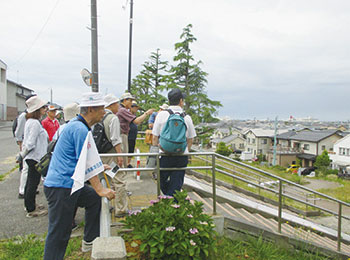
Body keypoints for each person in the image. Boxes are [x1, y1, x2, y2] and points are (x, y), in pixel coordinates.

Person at [43, 92, 116, 260]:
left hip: (69, 184)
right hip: (61, 186)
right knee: (59, 234)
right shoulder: (79, 129)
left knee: (93, 200)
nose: (104, 113)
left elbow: (85, 159)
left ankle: (89, 240)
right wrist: (100, 189)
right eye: (101, 109)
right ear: (90, 109)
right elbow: (88, 163)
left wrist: (99, 167)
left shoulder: (77, 126)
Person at [152, 89, 196, 196]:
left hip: (164, 154)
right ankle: (173, 202)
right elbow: (191, 139)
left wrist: (158, 148)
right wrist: (186, 150)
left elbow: (154, 137)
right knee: (177, 183)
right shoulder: (186, 117)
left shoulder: (161, 115)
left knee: (161, 180)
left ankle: (168, 200)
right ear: (181, 101)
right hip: (181, 156)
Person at [16, 96, 49, 217]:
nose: (45, 109)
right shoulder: (34, 123)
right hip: (35, 157)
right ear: (37, 109)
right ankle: (31, 209)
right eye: (43, 107)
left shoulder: (31, 122)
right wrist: (21, 155)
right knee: (32, 183)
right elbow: (30, 143)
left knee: (31, 182)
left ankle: (30, 205)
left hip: (32, 157)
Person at [100, 94, 125, 217]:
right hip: (112, 155)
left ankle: (106, 206)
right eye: (117, 104)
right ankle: (120, 209)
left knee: (105, 180)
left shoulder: (100, 117)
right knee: (118, 179)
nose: (119, 106)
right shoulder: (113, 118)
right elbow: (115, 139)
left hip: (101, 155)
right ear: (112, 105)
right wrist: (120, 156)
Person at [117, 92, 154, 168]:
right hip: (122, 135)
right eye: (130, 101)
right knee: (123, 157)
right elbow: (136, 121)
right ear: (125, 100)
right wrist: (146, 113)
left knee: (125, 155)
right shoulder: (122, 110)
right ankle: (122, 173)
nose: (131, 103)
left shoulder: (121, 110)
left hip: (123, 135)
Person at [15, 94, 37, 199]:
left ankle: (28, 190)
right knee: (26, 168)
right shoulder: (23, 116)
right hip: (26, 144)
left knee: (30, 170)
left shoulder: (33, 116)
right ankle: (22, 190)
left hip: (30, 144)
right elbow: (18, 131)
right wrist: (20, 144)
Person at [127, 100, 139, 168]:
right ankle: (127, 163)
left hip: (133, 135)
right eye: (134, 107)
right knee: (128, 149)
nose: (136, 109)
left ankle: (128, 162)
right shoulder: (128, 114)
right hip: (128, 135)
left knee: (131, 149)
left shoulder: (134, 115)